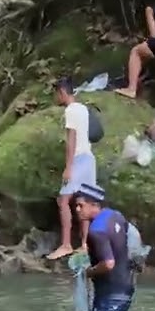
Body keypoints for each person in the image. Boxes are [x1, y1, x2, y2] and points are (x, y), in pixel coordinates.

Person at [47, 78, 97, 261]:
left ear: (62, 92)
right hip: (89, 158)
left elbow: (71, 140)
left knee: (63, 201)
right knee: (84, 201)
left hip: (78, 159)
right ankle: (84, 244)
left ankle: (66, 244)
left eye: (56, 94)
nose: (56, 97)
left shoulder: (70, 111)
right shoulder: (83, 108)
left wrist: (68, 167)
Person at [73, 183, 135, 311]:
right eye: (76, 205)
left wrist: (89, 272)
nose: (77, 209)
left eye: (81, 205)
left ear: (94, 205)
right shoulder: (116, 216)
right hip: (126, 289)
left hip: (110, 295)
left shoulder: (96, 230)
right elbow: (130, 237)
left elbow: (108, 263)